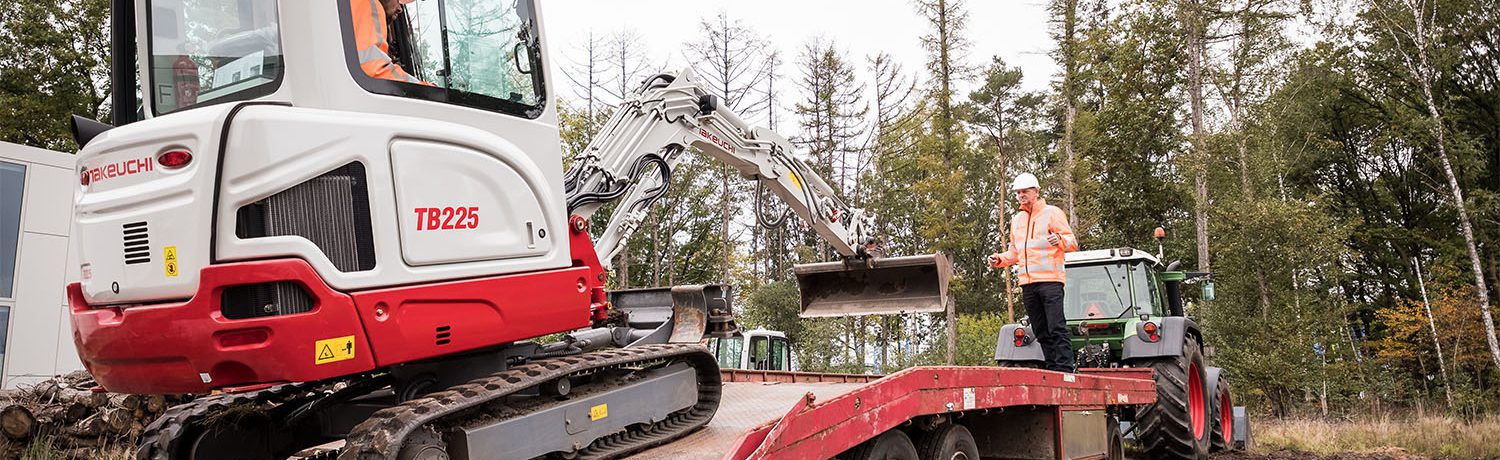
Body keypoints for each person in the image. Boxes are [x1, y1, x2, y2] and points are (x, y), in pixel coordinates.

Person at [988, 173, 1080, 373]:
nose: (1021, 195)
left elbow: (1072, 242)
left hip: (1050, 281)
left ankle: (1065, 368)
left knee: (1056, 326)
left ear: (1036, 192)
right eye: (1018, 192)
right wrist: (1000, 259)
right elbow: (1015, 252)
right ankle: (1053, 368)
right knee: (1040, 330)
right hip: (1027, 283)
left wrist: (1060, 240)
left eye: (1025, 191)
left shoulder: (1052, 213)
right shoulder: (1017, 220)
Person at [350, 0, 425, 84]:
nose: (400, 9)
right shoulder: (368, 4)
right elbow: (373, 70)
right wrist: (426, 90)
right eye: (398, 0)